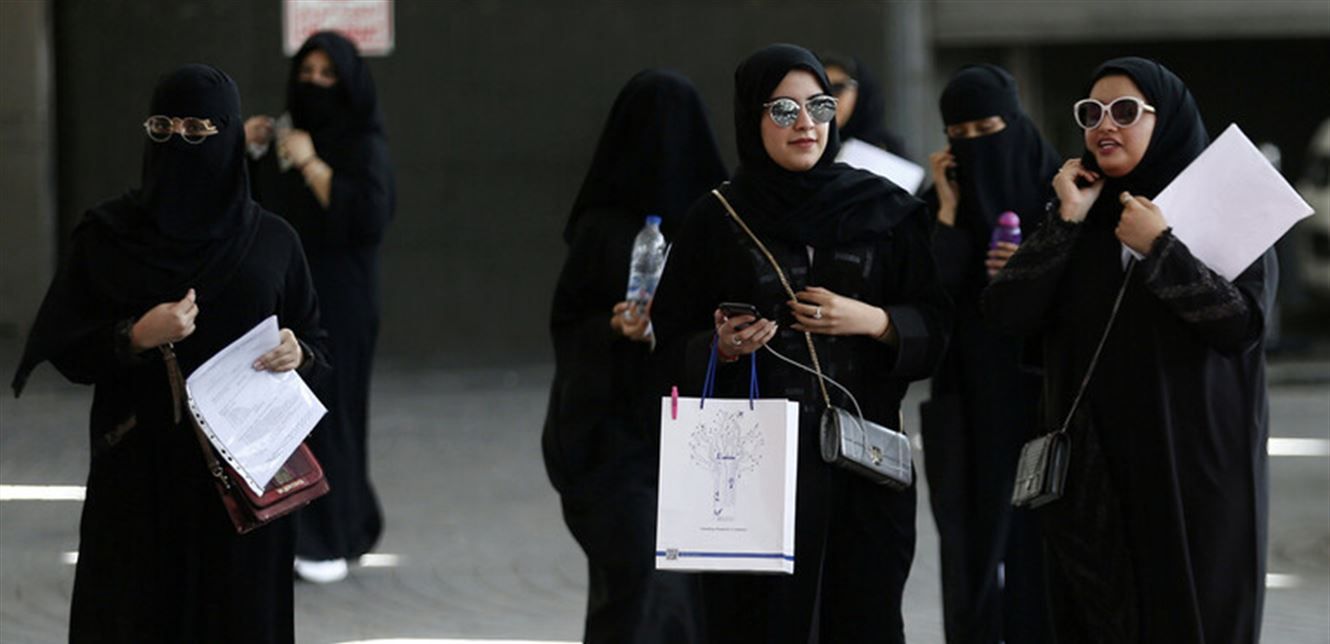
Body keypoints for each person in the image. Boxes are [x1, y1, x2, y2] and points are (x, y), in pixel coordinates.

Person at [10, 64, 328, 643]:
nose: (179, 142)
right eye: (163, 128)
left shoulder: (272, 241)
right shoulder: (108, 236)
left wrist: (296, 352)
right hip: (140, 479)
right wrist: (134, 335)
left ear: (229, 135)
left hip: (242, 484)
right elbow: (66, 348)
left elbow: (316, 342)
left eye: (197, 130)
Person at [650, 44, 951, 643]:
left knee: (863, 620)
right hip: (753, 473)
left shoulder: (885, 209)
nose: (807, 123)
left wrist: (874, 320)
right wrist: (721, 347)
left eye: (819, 105)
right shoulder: (716, 219)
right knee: (759, 625)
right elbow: (670, 342)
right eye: (784, 110)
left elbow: (938, 328)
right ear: (751, 117)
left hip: (863, 465)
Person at [983, 57, 1275, 643]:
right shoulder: (1079, 215)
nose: (1104, 126)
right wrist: (1065, 219)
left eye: (1124, 111)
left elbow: (1240, 327)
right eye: (1091, 114)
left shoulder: (1228, 207)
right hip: (1092, 476)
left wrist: (1160, 248)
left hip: (1191, 471)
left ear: (1165, 121)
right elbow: (1005, 315)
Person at [542, 69, 728, 644]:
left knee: (694, 593)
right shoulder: (601, 231)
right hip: (614, 439)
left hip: (699, 438)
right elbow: (568, 323)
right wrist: (612, 327)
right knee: (640, 582)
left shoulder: (719, 225)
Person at [245, 30, 394, 583]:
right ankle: (301, 528)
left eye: (328, 75)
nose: (314, 83)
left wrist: (311, 162)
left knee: (335, 415)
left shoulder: (364, 145)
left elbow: (366, 219)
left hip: (343, 302)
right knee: (291, 418)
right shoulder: (287, 138)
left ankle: (335, 534)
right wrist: (250, 150)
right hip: (291, 302)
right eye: (306, 73)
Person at [920, 64, 1057, 644]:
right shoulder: (935, 203)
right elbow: (928, 296)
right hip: (967, 397)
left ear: (1015, 122)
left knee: (1041, 549)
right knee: (969, 542)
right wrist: (949, 211)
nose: (975, 145)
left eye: (987, 128)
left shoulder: (1060, 192)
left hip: (1044, 397)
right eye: (960, 135)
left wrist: (1031, 269)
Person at [820, 52, 911, 159]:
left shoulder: (889, 152)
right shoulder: (808, 149)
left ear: (861, 91)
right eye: (821, 89)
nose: (829, 98)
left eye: (837, 88)